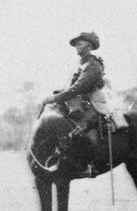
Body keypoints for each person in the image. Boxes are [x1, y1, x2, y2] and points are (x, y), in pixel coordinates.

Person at [42, 32, 124, 175]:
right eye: (76, 44)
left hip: (93, 104)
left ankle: (87, 165)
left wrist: (55, 98)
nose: (76, 46)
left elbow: (78, 88)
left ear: (89, 46)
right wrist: (57, 97)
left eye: (80, 43)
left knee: (78, 130)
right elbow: (71, 88)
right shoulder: (81, 64)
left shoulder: (94, 65)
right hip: (79, 103)